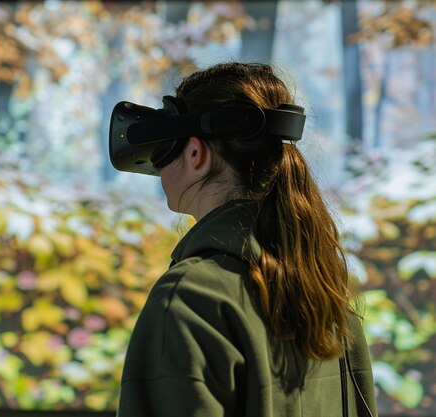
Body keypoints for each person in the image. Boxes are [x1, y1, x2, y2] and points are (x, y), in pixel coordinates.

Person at [115, 63, 378, 417]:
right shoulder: (327, 301)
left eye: (166, 148)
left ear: (195, 154)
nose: (160, 166)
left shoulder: (191, 298)